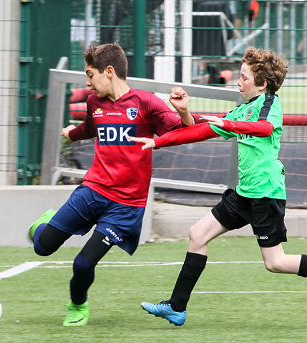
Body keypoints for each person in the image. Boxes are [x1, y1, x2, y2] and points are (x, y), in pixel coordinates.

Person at [128, 47, 307, 326]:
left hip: (265, 195)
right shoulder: (242, 109)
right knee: (197, 235)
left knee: (275, 263)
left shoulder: (269, 103)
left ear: (262, 83)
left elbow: (265, 128)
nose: (238, 82)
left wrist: (231, 124)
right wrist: (160, 139)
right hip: (243, 194)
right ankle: (176, 307)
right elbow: (200, 130)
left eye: (243, 77)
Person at [27, 42, 194, 327]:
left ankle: (77, 306)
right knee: (42, 247)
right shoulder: (95, 103)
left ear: (109, 71)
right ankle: (47, 222)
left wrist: (182, 111)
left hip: (126, 205)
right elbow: (90, 128)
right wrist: (73, 134)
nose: (87, 82)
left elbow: (186, 133)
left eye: (90, 75)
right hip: (93, 191)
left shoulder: (146, 103)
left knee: (83, 263)